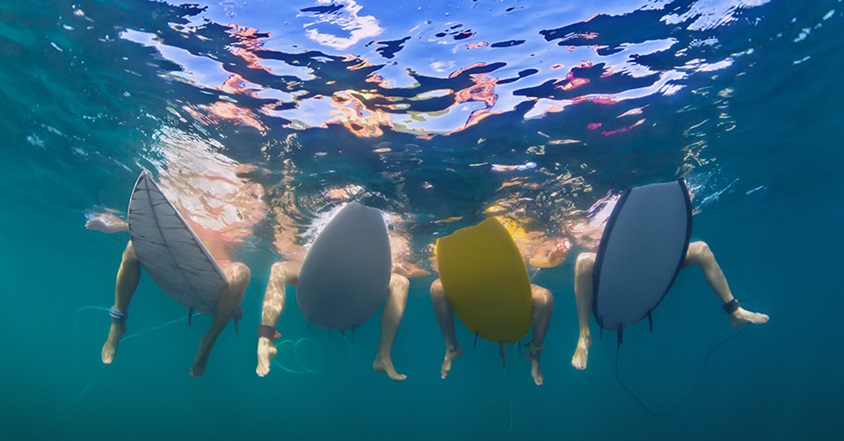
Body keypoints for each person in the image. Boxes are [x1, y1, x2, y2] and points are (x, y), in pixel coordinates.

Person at [255, 202, 428, 382]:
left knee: (401, 282)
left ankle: (383, 356)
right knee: (279, 268)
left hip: (361, 280)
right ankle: (266, 339)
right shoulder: (326, 229)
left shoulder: (390, 240)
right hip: (319, 276)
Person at [570, 230, 769, 371]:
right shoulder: (583, 219)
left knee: (701, 249)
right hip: (618, 267)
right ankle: (584, 335)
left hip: (651, 259)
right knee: (582, 262)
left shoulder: (634, 202)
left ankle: (735, 311)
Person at [428, 219, 563, 387]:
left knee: (545, 298)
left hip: (513, 290)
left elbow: (536, 260)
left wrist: (550, 260)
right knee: (436, 288)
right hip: (474, 287)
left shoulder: (522, 232)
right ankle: (451, 346)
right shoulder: (456, 234)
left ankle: (534, 353)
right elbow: (444, 264)